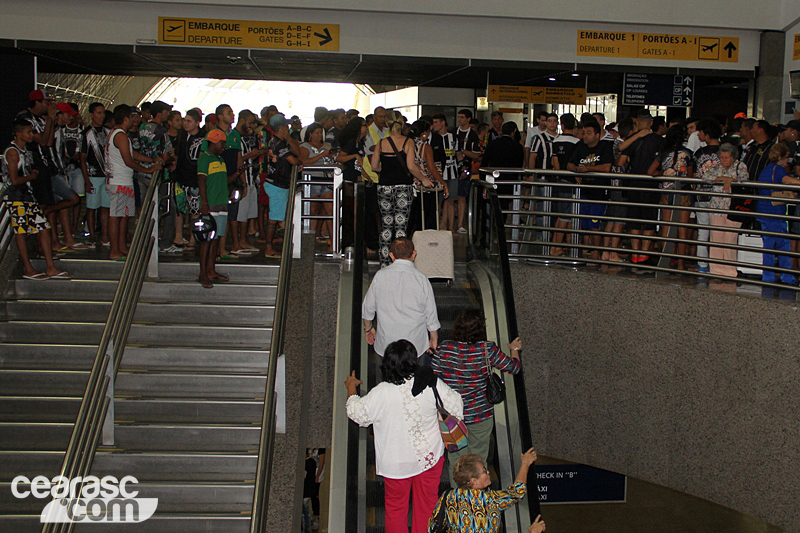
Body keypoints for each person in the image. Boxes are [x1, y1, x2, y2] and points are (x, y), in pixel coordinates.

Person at [346, 339, 463, 533]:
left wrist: (351, 388)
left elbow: (357, 414)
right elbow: (457, 405)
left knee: (395, 509)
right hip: (429, 458)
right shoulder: (428, 382)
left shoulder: (381, 392)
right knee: (427, 506)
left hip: (395, 464)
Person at [432, 309, 521, 485]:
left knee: (456, 460)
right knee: (478, 459)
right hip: (480, 414)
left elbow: (433, 376)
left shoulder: (444, 348)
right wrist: (515, 350)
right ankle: (477, 497)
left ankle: (458, 497)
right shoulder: (487, 349)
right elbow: (513, 367)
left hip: (452, 417)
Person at [2, 119, 68, 280]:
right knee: (22, 231)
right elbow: (14, 180)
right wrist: (31, 176)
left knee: (43, 227)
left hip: (26, 196)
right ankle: (28, 268)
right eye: (29, 132)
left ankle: (49, 267)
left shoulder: (25, 151)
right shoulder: (13, 152)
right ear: (18, 133)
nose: (32, 134)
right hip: (16, 197)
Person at [427, 448, 538, 533]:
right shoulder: (491, 500)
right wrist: (525, 463)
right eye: (484, 471)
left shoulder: (449, 496)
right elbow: (518, 491)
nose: (488, 472)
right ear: (474, 481)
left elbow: (432, 527)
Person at [362, 238, 440, 357]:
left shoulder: (380, 276)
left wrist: (368, 329)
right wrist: (434, 337)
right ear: (414, 253)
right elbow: (431, 313)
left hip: (386, 345)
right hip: (415, 346)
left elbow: (368, 308)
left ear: (391, 255)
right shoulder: (421, 279)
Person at [369, 111, 427, 266]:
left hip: (384, 188)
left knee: (386, 226)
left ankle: (384, 263)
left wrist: (386, 171)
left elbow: (374, 166)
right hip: (403, 188)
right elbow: (411, 166)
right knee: (401, 226)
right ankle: (401, 262)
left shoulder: (381, 143)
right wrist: (424, 179)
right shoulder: (408, 142)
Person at [105, 104, 162, 259]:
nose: (135, 120)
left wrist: (151, 160)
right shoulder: (120, 135)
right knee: (116, 217)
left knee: (124, 216)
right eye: (132, 117)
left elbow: (132, 154)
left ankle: (121, 247)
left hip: (123, 180)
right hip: (119, 181)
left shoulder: (119, 134)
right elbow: (129, 160)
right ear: (126, 118)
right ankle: (114, 250)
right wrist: (148, 169)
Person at [648, 124, 693, 270]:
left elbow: (650, 171)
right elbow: (690, 176)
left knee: (666, 227)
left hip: (667, 191)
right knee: (682, 230)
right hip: (684, 192)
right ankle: (681, 263)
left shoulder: (663, 153)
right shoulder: (688, 153)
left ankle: (665, 261)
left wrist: (664, 173)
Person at [567, 119, 613, 261]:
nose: (585, 136)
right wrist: (576, 170)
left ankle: (596, 252)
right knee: (584, 222)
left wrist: (588, 169)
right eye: (583, 133)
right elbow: (569, 164)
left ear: (597, 135)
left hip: (599, 192)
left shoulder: (605, 146)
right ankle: (586, 248)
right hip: (585, 191)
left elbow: (607, 167)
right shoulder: (580, 146)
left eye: (588, 133)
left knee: (595, 223)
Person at [197, 129, 238, 288]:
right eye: (222, 143)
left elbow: (223, 180)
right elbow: (201, 181)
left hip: (221, 203)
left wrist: (237, 174)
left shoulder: (220, 159)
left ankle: (211, 270)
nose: (224, 146)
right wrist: (204, 203)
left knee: (216, 238)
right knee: (206, 240)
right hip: (211, 203)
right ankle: (203, 273)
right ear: (215, 142)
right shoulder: (205, 158)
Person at [756, 143, 800, 285]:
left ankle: (768, 276)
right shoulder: (778, 169)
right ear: (780, 157)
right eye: (786, 157)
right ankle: (787, 277)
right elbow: (787, 180)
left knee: (768, 246)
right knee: (783, 245)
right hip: (775, 213)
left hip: (763, 211)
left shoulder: (766, 169)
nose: (788, 160)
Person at [703, 143, 748, 277]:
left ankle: (729, 271)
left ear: (733, 157)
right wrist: (725, 179)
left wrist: (731, 180)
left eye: (726, 157)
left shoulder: (740, 166)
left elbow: (744, 178)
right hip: (717, 207)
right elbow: (706, 177)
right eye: (722, 157)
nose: (723, 160)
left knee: (730, 238)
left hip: (733, 207)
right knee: (716, 239)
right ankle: (716, 270)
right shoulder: (716, 166)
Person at [264, 113, 301, 258]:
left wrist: (290, 139)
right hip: (277, 184)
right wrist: (299, 162)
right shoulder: (279, 144)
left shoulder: (277, 142)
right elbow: (294, 160)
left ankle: (285, 243)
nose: (288, 128)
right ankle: (268, 248)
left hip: (279, 183)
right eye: (286, 126)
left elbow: (297, 153)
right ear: (281, 128)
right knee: (274, 218)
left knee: (280, 217)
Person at [692, 119, 722, 273]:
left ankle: (702, 265)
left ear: (707, 134)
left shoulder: (700, 153)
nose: (698, 135)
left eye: (700, 132)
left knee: (703, 233)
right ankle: (718, 264)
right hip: (720, 197)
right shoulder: (725, 151)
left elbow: (694, 174)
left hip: (701, 196)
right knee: (719, 233)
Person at [549, 113, 581, 256]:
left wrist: (558, 175)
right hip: (572, 181)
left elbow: (554, 162)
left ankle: (559, 245)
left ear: (561, 125)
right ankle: (556, 247)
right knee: (566, 216)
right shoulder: (577, 142)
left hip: (560, 180)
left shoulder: (556, 141)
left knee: (562, 214)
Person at [79, 102, 111, 246]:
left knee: (105, 207)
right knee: (91, 207)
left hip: (106, 175)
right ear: (91, 115)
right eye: (98, 113)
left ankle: (104, 235)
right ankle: (91, 236)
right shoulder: (86, 134)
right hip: (93, 175)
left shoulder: (108, 132)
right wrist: (86, 180)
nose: (102, 116)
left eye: (103, 113)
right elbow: (82, 158)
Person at [300, 123, 336, 243]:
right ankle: (309, 241)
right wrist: (321, 155)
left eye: (321, 133)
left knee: (330, 210)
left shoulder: (326, 146)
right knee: (313, 211)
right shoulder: (305, 146)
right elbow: (304, 161)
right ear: (310, 134)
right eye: (317, 133)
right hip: (312, 179)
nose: (319, 135)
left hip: (327, 179)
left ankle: (333, 240)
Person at [408, 119, 444, 233]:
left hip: (409, 183)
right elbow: (432, 168)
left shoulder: (407, 144)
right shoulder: (425, 147)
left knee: (412, 216)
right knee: (426, 215)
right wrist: (443, 182)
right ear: (424, 132)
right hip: (424, 185)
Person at [482, 121, 525, 212]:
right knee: (505, 203)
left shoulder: (492, 144)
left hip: (494, 177)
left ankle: (492, 218)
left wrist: (483, 178)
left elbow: (485, 162)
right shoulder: (517, 146)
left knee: (493, 201)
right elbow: (519, 164)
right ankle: (503, 218)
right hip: (510, 178)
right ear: (513, 132)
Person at [429, 114, 459, 232]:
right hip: (438, 173)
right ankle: (437, 226)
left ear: (443, 123)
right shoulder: (433, 138)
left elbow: (458, 153)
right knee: (438, 201)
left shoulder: (453, 137)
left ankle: (450, 228)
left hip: (452, 172)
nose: (434, 125)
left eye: (436, 122)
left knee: (451, 200)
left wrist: (463, 168)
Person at [454, 109, 481, 233]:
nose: (460, 119)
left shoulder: (473, 135)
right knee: (448, 198)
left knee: (462, 196)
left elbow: (476, 155)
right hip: (451, 167)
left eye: (462, 117)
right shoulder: (453, 132)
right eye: (459, 117)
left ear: (468, 119)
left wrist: (462, 151)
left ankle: (460, 224)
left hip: (465, 168)